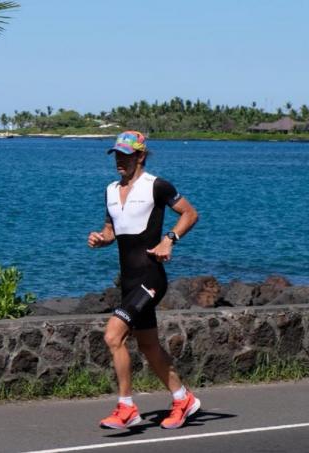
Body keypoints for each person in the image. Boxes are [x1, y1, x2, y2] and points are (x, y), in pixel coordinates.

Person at [88, 130, 200, 429]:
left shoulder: (157, 186)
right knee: (149, 346)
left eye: (126, 155)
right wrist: (102, 239)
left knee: (113, 335)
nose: (120, 161)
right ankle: (183, 398)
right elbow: (112, 229)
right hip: (127, 280)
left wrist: (169, 239)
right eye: (117, 155)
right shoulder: (111, 190)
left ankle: (126, 407)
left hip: (151, 278)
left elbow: (190, 213)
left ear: (140, 156)